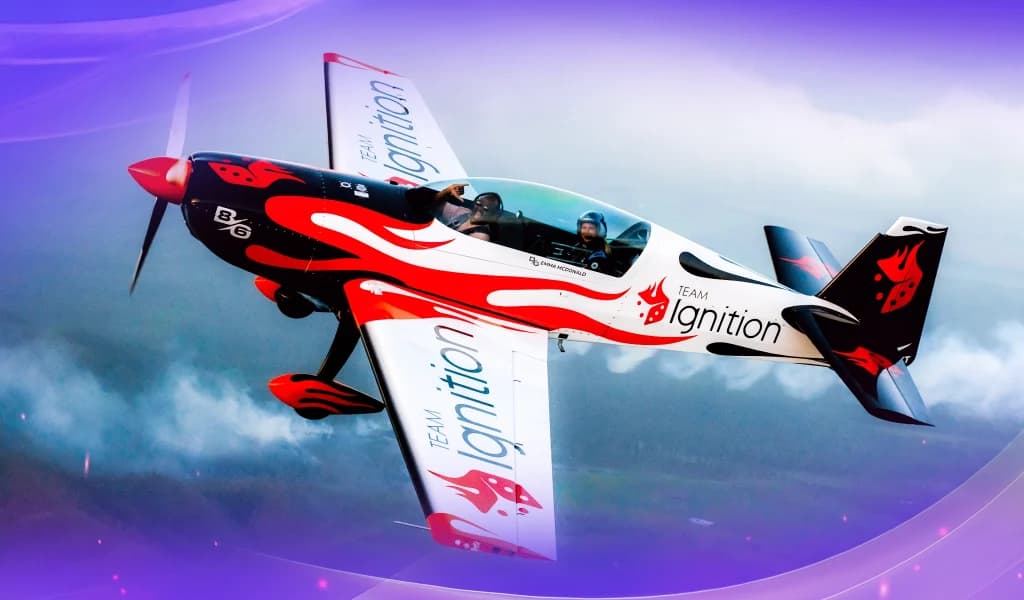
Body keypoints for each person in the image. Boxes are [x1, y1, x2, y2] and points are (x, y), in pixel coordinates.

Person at [432, 184, 501, 241]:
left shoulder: (480, 236)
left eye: (486, 208)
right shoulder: (464, 212)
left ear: (492, 215)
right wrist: (447, 191)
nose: (480, 208)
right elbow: (437, 203)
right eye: (479, 203)